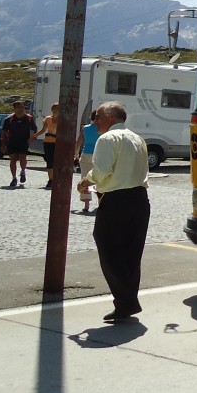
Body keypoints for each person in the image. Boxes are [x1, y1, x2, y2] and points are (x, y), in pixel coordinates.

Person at [78, 101, 150, 322]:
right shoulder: (138, 138)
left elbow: (102, 171)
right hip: (139, 198)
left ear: (110, 116)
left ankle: (126, 302)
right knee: (131, 252)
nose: (95, 120)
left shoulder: (108, 138)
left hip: (117, 199)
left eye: (98, 116)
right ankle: (126, 302)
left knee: (109, 249)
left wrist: (85, 181)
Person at [1, 101, 37, 188]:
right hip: (12, 142)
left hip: (24, 142)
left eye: (22, 107)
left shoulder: (29, 118)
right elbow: (4, 132)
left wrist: (32, 138)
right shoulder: (9, 119)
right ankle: (14, 178)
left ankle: (23, 171)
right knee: (13, 159)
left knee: (22, 157)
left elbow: (34, 129)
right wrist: (3, 144)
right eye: (18, 107)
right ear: (14, 109)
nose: (21, 109)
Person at [75, 110, 100, 213]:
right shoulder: (103, 129)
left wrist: (76, 154)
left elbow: (79, 142)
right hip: (98, 155)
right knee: (100, 179)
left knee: (85, 178)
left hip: (86, 154)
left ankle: (86, 205)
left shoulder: (85, 128)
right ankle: (100, 201)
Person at [33, 102, 60, 189]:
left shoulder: (62, 119)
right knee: (49, 161)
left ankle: (56, 179)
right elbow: (43, 130)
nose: (55, 110)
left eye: (57, 108)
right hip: (48, 142)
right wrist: (34, 136)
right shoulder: (48, 119)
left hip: (58, 143)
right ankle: (50, 180)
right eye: (54, 108)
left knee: (57, 162)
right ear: (52, 109)